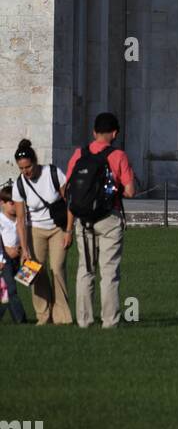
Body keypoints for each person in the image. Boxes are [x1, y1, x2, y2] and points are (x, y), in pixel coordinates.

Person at [64, 113, 135, 330]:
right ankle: (109, 321)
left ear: (94, 132)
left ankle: (84, 321)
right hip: (108, 218)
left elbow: (66, 191)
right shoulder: (118, 155)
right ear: (115, 133)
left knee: (85, 270)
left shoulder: (79, 154)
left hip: (83, 220)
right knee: (109, 272)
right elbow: (130, 191)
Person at [14, 139, 72, 326]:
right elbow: (21, 220)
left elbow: (69, 203)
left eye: (28, 167)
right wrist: (24, 248)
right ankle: (43, 315)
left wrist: (69, 230)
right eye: (21, 169)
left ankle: (62, 317)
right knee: (33, 271)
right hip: (34, 229)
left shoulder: (53, 173)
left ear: (35, 161)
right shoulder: (19, 185)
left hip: (58, 228)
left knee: (57, 268)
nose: (26, 172)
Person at [0, 186, 28, 324]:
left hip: (20, 258)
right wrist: (3, 253)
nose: (14, 206)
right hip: (4, 259)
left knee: (4, 294)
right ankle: (21, 320)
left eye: (16, 203)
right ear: (2, 203)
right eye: (11, 203)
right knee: (10, 289)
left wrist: (22, 250)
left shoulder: (21, 220)